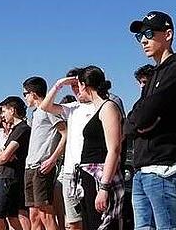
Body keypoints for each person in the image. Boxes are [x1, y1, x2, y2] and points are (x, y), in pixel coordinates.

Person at [125, 11, 176, 230]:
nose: (144, 40)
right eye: (140, 36)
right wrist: (135, 123)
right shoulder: (154, 74)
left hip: (163, 169)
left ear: (168, 34)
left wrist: (135, 123)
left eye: (149, 33)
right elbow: (135, 115)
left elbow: (145, 113)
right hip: (142, 170)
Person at [40, 68, 97, 230]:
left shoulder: (99, 106)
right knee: (72, 222)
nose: (76, 89)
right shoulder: (72, 107)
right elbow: (45, 106)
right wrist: (59, 84)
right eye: (72, 86)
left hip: (91, 169)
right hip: (70, 171)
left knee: (92, 218)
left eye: (78, 85)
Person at [75, 66, 124, 230]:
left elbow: (114, 149)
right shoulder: (98, 108)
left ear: (84, 85)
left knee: (103, 224)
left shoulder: (108, 107)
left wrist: (104, 187)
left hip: (101, 176)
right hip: (89, 176)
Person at [22, 76, 68, 230]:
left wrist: (52, 159)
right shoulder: (35, 114)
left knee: (45, 214)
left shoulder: (48, 109)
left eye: (25, 94)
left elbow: (66, 134)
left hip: (42, 166)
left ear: (33, 93)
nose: (25, 98)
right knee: (34, 214)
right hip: (30, 167)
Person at [0, 96, 31, 230]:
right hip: (6, 176)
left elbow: (3, 158)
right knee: (12, 215)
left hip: (12, 177)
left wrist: (2, 156)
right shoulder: (14, 130)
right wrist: (1, 155)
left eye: (4, 111)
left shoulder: (22, 129)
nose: (2, 115)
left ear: (12, 110)